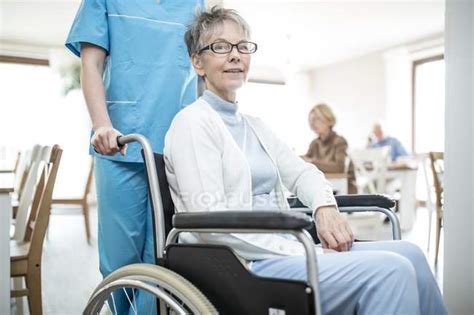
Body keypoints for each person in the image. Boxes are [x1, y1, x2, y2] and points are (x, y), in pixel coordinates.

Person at [164, 6, 447, 314]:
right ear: (197, 62)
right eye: (220, 47)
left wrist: (324, 206)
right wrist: (296, 247)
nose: (235, 55)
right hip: (242, 263)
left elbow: (302, 173)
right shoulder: (191, 123)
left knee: (412, 254)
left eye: (243, 46)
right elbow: (210, 224)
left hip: (285, 249)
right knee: (393, 270)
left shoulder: (255, 126)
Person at [65, 0, 204, 312]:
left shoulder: (193, 4)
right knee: (120, 259)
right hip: (120, 144)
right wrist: (101, 125)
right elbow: (91, 64)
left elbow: (201, 72)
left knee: (164, 254)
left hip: (175, 148)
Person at [303, 104, 348, 173]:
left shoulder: (340, 142)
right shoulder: (314, 143)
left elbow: (339, 168)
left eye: (316, 119)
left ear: (327, 119)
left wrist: (312, 162)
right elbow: (305, 160)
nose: (312, 124)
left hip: (339, 182)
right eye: (310, 120)